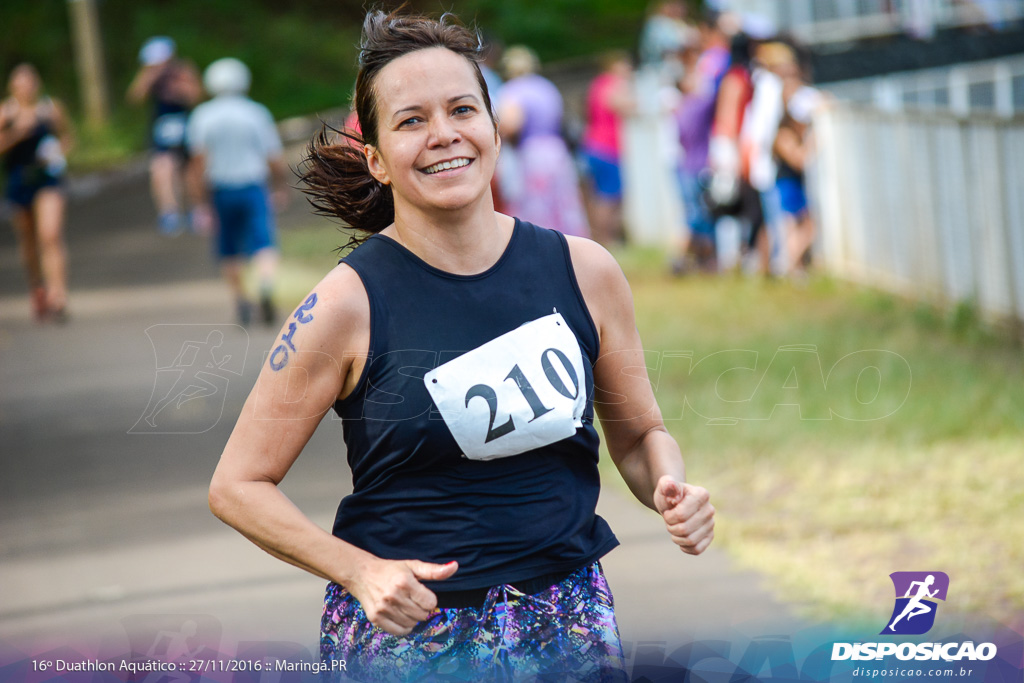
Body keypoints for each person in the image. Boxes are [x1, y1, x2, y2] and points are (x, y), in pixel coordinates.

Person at [208, 10, 714, 683]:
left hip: (570, 624)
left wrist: (670, 486)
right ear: (378, 159)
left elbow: (639, 434)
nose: (443, 134)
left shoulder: (585, 270)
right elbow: (237, 484)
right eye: (411, 120)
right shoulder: (345, 305)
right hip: (416, 639)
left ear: (494, 128)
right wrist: (358, 569)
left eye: (462, 109)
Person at [185, 57, 288, 327]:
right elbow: (273, 155)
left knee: (229, 247)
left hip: (220, 190)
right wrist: (279, 185)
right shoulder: (256, 112)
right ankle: (265, 286)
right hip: (253, 187)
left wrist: (199, 202)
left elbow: (197, 162)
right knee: (263, 242)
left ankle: (240, 298)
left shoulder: (202, 115)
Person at [0, 63, 73, 322]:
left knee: (50, 235)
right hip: (19, 181)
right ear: (13, 86)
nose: (26, 87)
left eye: (30, 81)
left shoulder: (51, 109)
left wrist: (58, 152)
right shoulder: (6, 112)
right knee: (29, 242)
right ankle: (37, 287)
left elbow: (67, 137)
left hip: (48, 179)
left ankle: (58, 294)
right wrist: (17, 132)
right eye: (21, 82)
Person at [496, 45, 590, 238]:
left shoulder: (513, 90)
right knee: (563, 203)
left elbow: (512, 123)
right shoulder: (546, 86)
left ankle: (541, 242)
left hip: (533, 155)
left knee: (537, 206)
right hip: (556, 150)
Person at [127, 36, 202, 235]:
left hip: (185, 125)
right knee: (161, 169)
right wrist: (150, 77)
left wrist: (179, 87)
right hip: (161, 129)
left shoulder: (183, 71)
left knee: (190, 170)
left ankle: (197, 209)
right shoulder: (148, 76)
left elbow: (196, 95)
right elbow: (134, 97)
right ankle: (169, 212)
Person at [580, 51, 633, 246]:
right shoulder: (613, 83)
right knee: (609, 198)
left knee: (598, 196)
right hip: (607, 148)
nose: (629, 69)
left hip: (593, 145)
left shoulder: (598, 83)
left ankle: (600, 239)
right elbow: (622, 105)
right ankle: (605, 240)